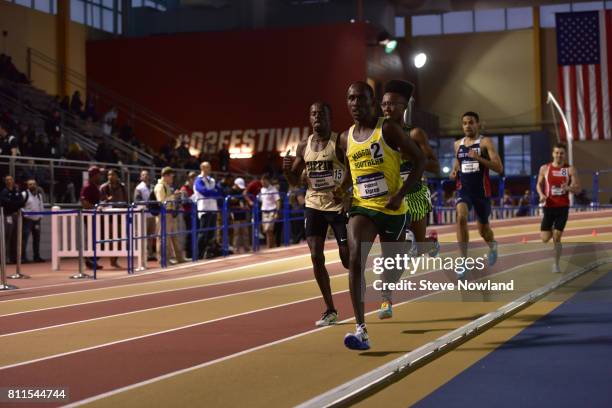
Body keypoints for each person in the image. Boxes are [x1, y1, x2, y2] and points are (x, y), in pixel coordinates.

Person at [340, 81, 425, 350]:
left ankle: (388, 288)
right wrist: (343, 192)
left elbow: (420, 160)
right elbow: (348, 171)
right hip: (363, 208)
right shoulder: (345, 138)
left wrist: (400, 194)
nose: (355, 104)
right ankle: (360, 329)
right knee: (356, 259)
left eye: (361, 99)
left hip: (393, 210)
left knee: (394, 266)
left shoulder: (387, 128)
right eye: (351, 99)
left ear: (372, 102)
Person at [283, 101, 349, 327]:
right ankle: (330, 309)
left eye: (321, 113)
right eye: (313, 114)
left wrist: (346, 190)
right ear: (309, 118)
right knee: (315, 255)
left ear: (330, 117)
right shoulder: (304, 146)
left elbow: (353, 168)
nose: (317, 117)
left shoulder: (339, 141)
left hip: (337, 205)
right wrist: (286, 170)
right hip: (314, 205)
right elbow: (294, 180)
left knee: (347, 258)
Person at [381, 81, 440, 314]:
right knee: (396, 251)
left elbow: (434, 165)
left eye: (392, 104)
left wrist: (412, 155)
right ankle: (386, 299)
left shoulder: (414, 133)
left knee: (416, 247)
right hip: (389, 200)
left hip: (414, 196)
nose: (387, 109)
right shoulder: (378, 134)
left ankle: (429, 244)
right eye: (383, 104)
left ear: (404, 106)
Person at [450, 111, 503, 278]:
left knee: (484, 231)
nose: (467, 126)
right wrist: (454, 170)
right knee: (461, 217)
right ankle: (463, 260)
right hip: (463, 190)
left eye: (471, 122)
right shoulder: (458, 144)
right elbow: (458, 161)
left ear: (477, 124)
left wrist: (479, 158)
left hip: (481, 193)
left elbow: (498, 168)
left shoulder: (485, 142)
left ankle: (493, 245)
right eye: (464, 123)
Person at [536, 143, 580, 273]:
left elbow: (578, 189)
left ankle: (556, 264)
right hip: (548, 207)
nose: (559, 155)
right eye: (557, 153)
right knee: (545, 239)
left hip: (562, 207)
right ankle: (550, 228)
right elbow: (538, 184)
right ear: (552, 154)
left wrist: (569, 188)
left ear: (564, 155)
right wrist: (541, 194)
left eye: (561, 153)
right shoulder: (545, 168)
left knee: (557, 237)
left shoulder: (570, 169)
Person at [155, 167, 187, 264]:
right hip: (164, 214)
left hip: (170, 213)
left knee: (174, 237)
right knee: (164, 238)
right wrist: (174, 196)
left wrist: (175, 196)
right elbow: (161, 201)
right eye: (171, 176)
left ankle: (179, 258)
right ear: (166, 176)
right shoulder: (160, 186)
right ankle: (163, 260)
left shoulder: (166, 186)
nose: (172, 178)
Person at [193, 161, 221, 259]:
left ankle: (208, 253)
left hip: (213, 208)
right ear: (202, 168)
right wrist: (213, 193)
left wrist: (213, 193)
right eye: (207, 167)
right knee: (202, 233)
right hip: (204, 209)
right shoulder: (198, 180)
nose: (209, 169)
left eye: (209, 167)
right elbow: (203, 191)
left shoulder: (212, 180)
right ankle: (198, 255)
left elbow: (219, 191)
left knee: (211, 233)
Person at [80, 166, 103, 270]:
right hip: (90, 217)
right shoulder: (87, 186)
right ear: (93, 175)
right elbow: (84, 202)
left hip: (96, 217)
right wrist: (95, 207)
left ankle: (92, 260)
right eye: (99, 174)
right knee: (92, 238)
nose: (100, 176)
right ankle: (89, 259)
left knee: (97, 239)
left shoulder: (94, 186)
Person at [0, 175, 26, 264]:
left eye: (10, 179)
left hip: (17, 216)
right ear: (5, 181)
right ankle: (4, 258)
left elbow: (22, 202)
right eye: (7, 180)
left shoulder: (17, 191)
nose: (9, 181)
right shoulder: (4, 191)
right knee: (7, 237)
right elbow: (5, 203)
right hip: (8, 216)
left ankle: (14, 258)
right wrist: (15, 203)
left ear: (13, 180)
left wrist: (14, 203)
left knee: (16, 237)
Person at [134, 170, 156, 261]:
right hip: (143, 215)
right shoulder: (139, 188)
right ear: (141, 177)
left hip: (151, 214)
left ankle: (150, 254)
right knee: (143, 236)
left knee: (151, 236)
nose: (146, 176)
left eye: (147, 174)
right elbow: (137, 200)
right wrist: (148, 203)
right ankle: (143, 255)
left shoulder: (152, 187)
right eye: (143, 175)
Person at [21, 179, 45, 263]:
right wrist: (25, 215)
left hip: (37, 220)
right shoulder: (24, 194)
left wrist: (41, 216)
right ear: (27, 186)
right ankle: (23, 257)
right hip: (27, 220)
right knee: (24, 239)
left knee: (37, 239)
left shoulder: (39, 195)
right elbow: (20, 207)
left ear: (36, 185)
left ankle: (36, 256)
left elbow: (41, 206)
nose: (32, 185)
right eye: (30, 184)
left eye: (34, 184)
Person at [229, 177, 250, 254]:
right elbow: (230, 204)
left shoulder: (242, 192)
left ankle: (247, 247)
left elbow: (244, 202)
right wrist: (239, 206)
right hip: (235, 215)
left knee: (245, 231)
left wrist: (245, 206)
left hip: (242, 214)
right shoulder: (230, 191)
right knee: (236, 232)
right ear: (235, 184)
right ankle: (236, 249)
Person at [260, 175, 281, 248]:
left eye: (263, 182)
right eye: (261, 182)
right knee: (266, 231)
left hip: (272, 211)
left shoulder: (273, 189)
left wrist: (277, 212)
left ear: (267, 181)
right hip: (264, 211)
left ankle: (269, 247)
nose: (262, 183)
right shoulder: (262, 189)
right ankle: (271, 245)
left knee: (269, 230)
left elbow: (278, 201)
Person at [180, 171, 197, 260]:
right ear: (189, 179)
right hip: (188, 213)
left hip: (195, 213)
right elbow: (183, 201)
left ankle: (194, 251)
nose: (194, 180)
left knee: (195, 232)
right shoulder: (184, 188)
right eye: (193, 178)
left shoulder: (195, 188)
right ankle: (188, 253)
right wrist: (192, 199)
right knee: (189, 233)